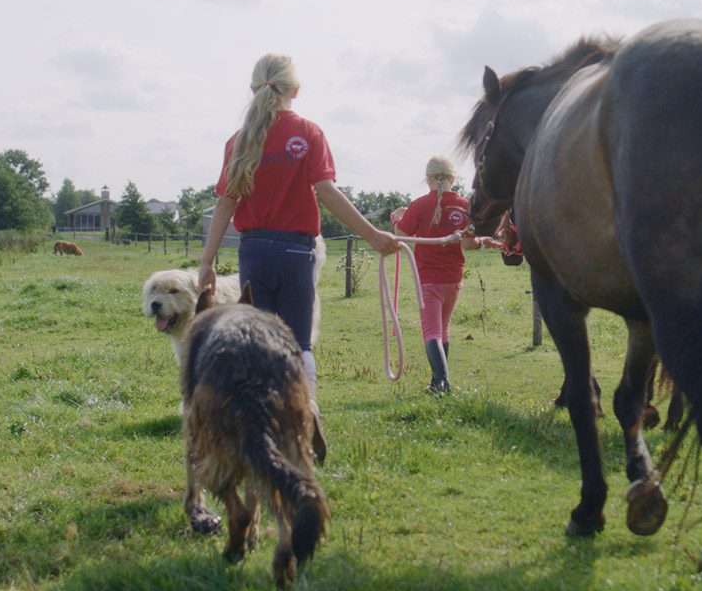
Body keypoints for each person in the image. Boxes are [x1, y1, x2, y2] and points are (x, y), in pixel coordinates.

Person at [198, 53, 398, 463]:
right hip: (296, 253)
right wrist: (373, 235)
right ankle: (305, 417)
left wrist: (207, 262)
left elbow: (224, 204)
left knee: (260, 346)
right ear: (295, 90)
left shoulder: (238, 141)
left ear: (253, 89)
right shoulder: (308, 133)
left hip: (253, 250)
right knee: (297, 344)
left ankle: (261, 431)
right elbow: (326, 192)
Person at [390, 155, 501, 394]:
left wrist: (397, 217)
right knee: (443, 329)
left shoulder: (419, 206)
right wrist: (484, 242)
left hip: (428, 279)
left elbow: (400, 234)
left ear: (428, 179)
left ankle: (443, 384)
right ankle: (435, 383)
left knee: (432, 332)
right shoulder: (464, 206)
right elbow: (469, 246)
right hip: (454, 278)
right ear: (452, 178)